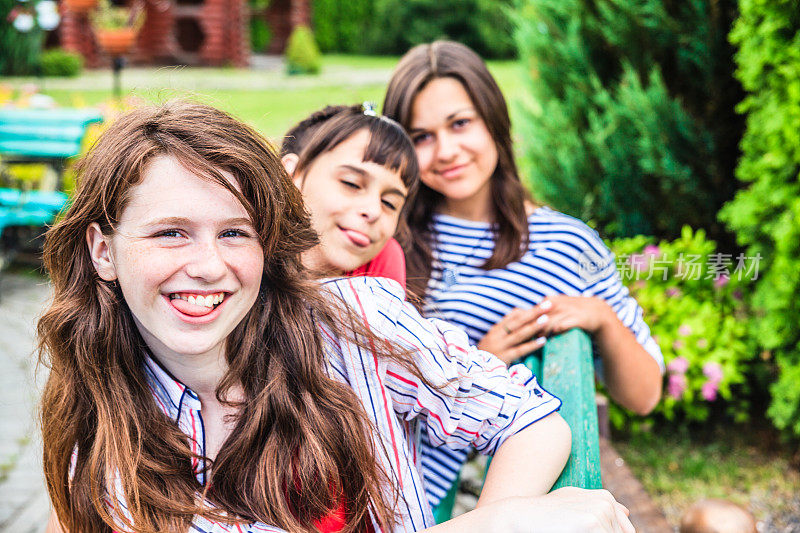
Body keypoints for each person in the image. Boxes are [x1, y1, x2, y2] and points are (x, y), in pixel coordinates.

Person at [39, 101, 634, 533]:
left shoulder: (357, 322)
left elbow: (527, 416)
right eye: (170, 233)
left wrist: (504, 511)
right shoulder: (101, 439)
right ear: (103, 250)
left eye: (234, 233)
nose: (208, 265)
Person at [383, 40, 665, 510]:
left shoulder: (569, 243)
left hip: (515, 492)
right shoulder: (387, 239)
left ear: (494, 121)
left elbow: (644, 396)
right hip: (411, 496)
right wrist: (478, 363)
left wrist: (602, 317)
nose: (447, 150)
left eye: (459, 123)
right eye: (421, 136)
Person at [280, 104, 408, 289]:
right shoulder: (243, 246)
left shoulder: (381, 260)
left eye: (389, 203)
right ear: (291, 174)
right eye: (351, 184)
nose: (373, 211)